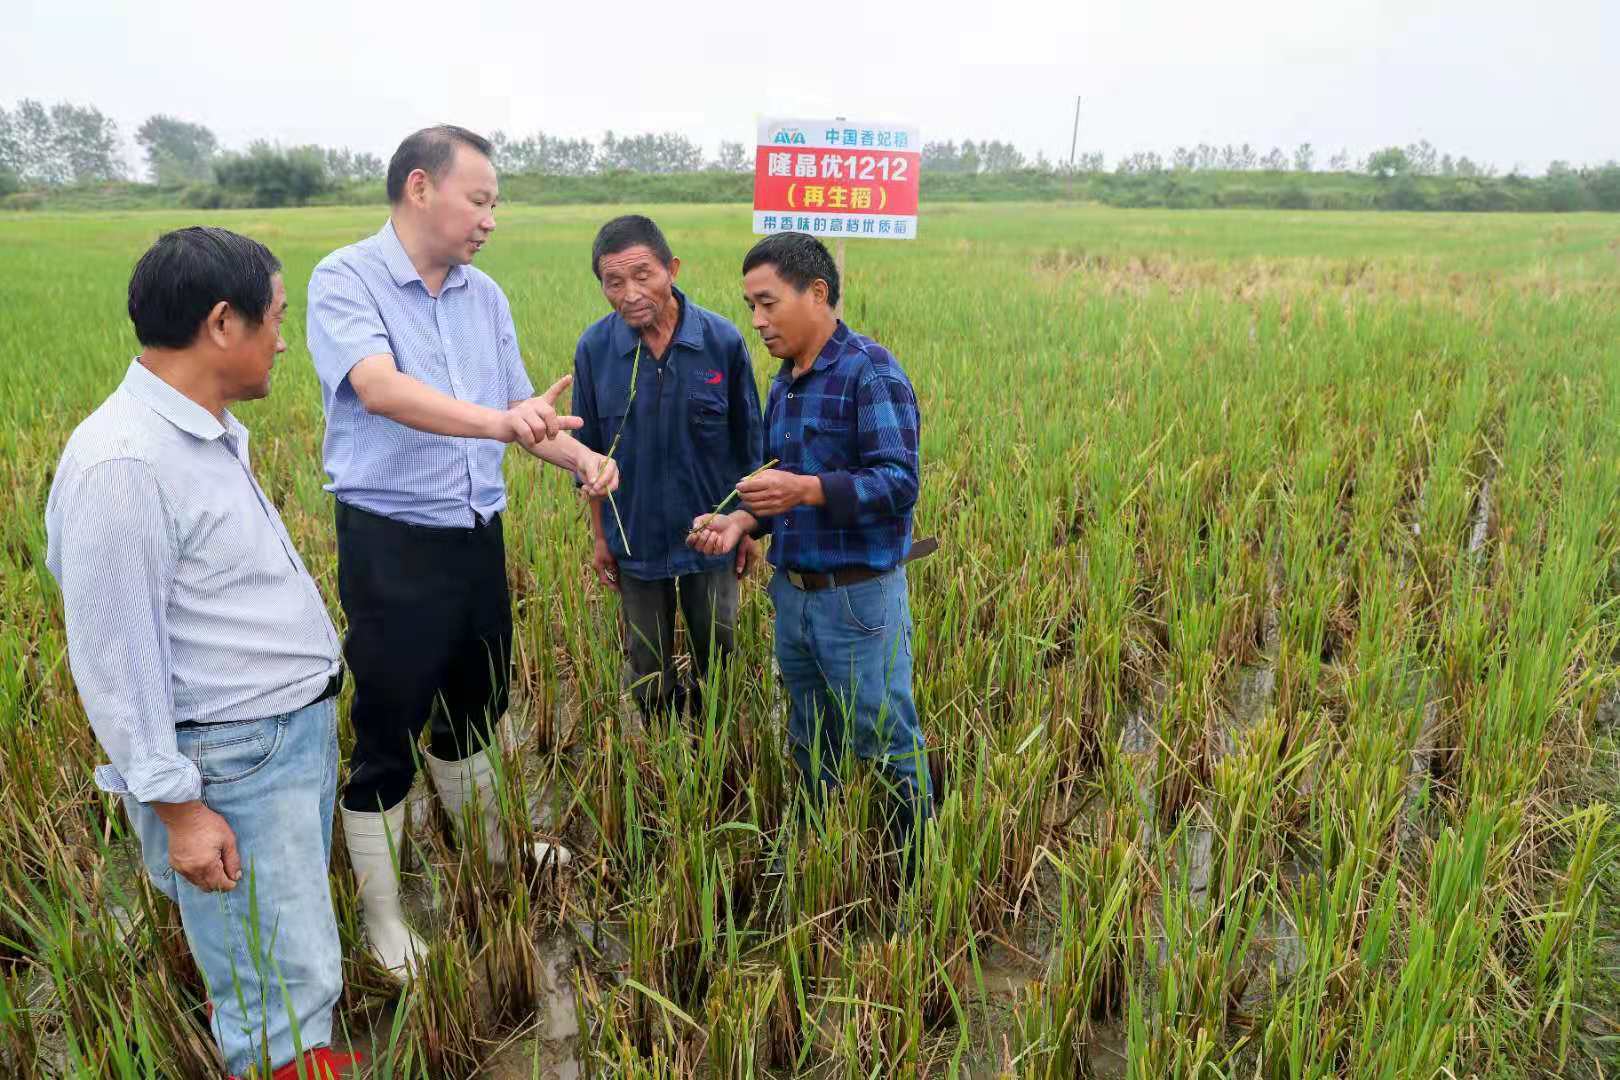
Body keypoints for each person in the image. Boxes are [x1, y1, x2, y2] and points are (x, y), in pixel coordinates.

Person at [306, 125, 617, 977]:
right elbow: (379, 388)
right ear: (419, 188)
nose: (488, 219)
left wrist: (580, 457)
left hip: (477, 535)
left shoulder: (485, 298)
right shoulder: (347, 278)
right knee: (387, 732)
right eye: (478, 200)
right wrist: (498, 422)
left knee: (477, 708)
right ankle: (383, 914)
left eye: (494, 205)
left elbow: (522, 407)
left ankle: (488, 859)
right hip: (393, 542)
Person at [45, 227, 356, 1079]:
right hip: (232, 758)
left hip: (274, 743)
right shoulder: (126, 462)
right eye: (276, 318)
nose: (285, 339)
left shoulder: (199, 432)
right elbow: (114, 654)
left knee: (281, 955)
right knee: (274, 982)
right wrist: (179, 809)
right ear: (224, 323)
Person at [688, 231, 932, 875]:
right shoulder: (784, 385)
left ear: (816, 293)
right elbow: (779, 493)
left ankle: (915, 873)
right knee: (809, 737)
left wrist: (808, 487)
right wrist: (741, 521)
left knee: (883, 737)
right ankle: (819, 858)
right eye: (750, 308)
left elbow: (899, 482)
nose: (758, 321)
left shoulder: (869, 372)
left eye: (768, 303)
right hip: (793, 597)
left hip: (857, 600)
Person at [571, 215, 763, 721]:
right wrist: (600, 536)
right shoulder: (595, 350)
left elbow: (751, 446)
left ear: (671, 270)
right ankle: (662, 761)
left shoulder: (721, 341)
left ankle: (718, 752)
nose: (630, 293)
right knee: (649, 668)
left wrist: (747, 527)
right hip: (634, 538)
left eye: (643, 275)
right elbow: (586, 455)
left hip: (710, 538)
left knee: (717, 660)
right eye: (614, 282)